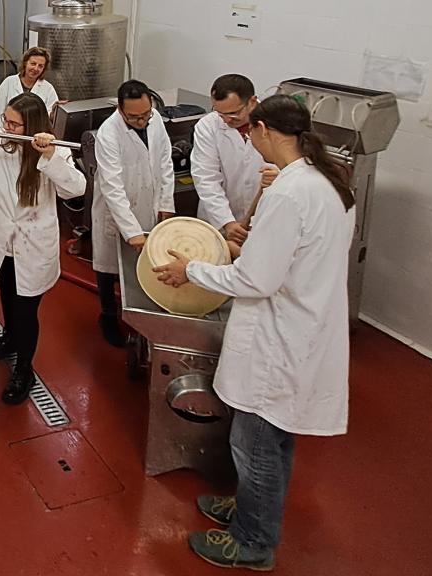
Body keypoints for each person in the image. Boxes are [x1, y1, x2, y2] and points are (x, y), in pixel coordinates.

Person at [153, 94, 355, 571]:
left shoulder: (290, 192)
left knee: (255, 444)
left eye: (250, 131)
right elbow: (284, 259)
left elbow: (256, 280)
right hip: (304, 330)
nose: (249, 138)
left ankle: (253, 541)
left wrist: (195, 270)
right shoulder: (325, 181)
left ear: (264, 130)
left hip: (279, 340)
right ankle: (250, 506)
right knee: (277, 439)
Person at [0, 93, 85, 404]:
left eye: (14, 123)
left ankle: (24, 369)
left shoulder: (53, 150)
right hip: (1, 240)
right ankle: (9, 339)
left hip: (32, 244)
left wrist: (50, 155)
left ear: (32, 125)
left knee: (26, 310)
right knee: (8, 296)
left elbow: (75, 189)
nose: (6, 126)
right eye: (6, 120)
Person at [92, 79, 174, 346]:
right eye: (134, 117)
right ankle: (107, 315)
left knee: (142, 266)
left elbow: (165, 162)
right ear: (120, 109)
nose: (141, 121)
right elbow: (112, 186)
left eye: (145, 115)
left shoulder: (155, 120)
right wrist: (131, 231)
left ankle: (140, 313)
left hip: (148, 201)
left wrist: (165, 203)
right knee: (108, 265)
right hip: (116, 210)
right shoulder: (108, 133)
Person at [192, 74, 278, 245]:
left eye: (234, 113)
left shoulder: (276, 122)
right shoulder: (208, 126)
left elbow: (288, 162)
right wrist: (227, 222)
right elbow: (206, 178)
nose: (226, 119)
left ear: (252, 102)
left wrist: (278, 176)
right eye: (220, 113)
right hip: (218, 222)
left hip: (263, 221)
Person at [0, 47, 60, 129]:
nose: (36, 69)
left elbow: (50, 118)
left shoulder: (48, 88)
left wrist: (56, 111)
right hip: (8, 133)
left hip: (34, 136)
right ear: (25, 63)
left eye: (40, 66)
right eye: (33, 64)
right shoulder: (9, 82)